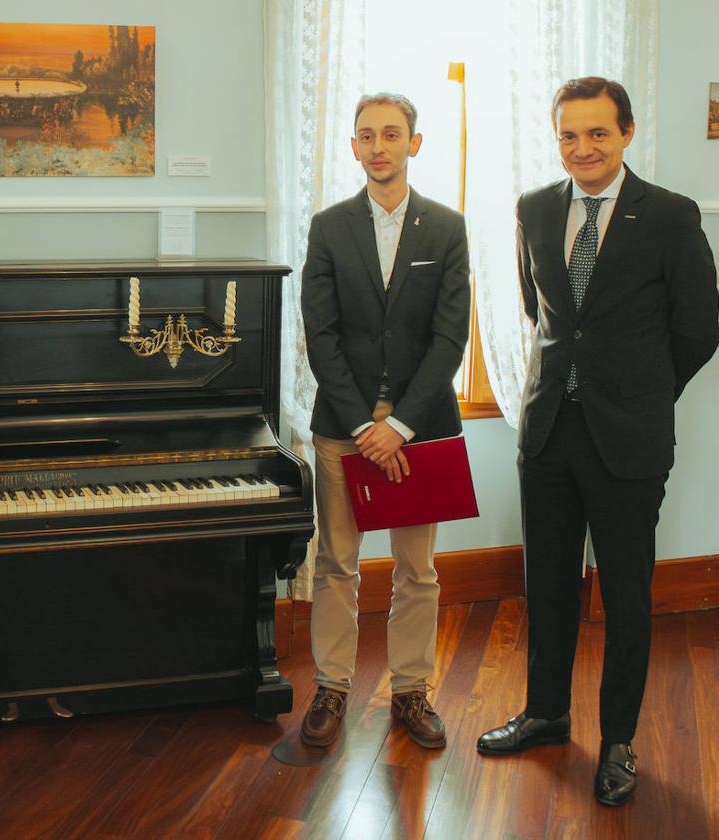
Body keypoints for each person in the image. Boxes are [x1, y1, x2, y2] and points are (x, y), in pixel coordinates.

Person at [477, 77, 719, 806]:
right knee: (545, 584)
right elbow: (540, 310)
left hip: (629, 439)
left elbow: (701, 325)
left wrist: (644, 390)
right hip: (548, 430)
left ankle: (618, 741)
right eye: (568, 135)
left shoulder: (672, 216)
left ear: (628, 133)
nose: (582, 148)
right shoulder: (533, 209)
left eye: (598, 134)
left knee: (625, 596)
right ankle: (547, 714)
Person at [298, 93, 471, 749]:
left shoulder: (448, 228)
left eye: (391, 134)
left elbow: (449, 340)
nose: (378, 146)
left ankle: (410, 693)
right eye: (366, 135)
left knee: (416, 570)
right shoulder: (329, 226)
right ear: (353, 147)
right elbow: (322, 336)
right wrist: (361, 424)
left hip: (418, 427)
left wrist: (396, 427)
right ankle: (332, 688)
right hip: (341, 423)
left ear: (413, 144)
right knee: (337, 564)